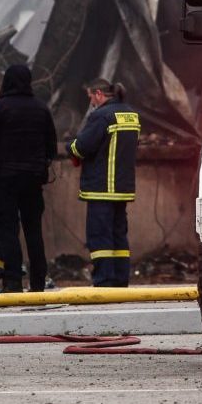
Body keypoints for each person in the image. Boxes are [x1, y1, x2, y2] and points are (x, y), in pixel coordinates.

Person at [0, 64, 57, 293]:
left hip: (5, 181)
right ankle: (38, 282)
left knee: (8, 232)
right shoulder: (41, 109)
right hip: (33, 181)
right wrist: (41, 167)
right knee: (34, 231)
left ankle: (12, 282)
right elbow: (51, 146)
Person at [68, 79, 139, 287]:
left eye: (90, 96)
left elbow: (82, 146)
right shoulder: (130, 114)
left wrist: (70, 147)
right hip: (122, 188)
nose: (90, 101)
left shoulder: (101, 116)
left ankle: (104, 281)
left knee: (99, 237)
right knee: (119, 236)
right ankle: (120, 280)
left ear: (98, 94)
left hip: (101, 188)